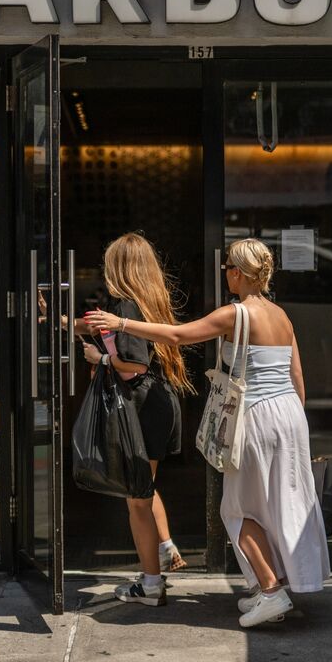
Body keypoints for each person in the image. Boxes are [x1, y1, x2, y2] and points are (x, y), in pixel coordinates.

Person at [86, 237, 331, 628]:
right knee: (278, 504)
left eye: (227, 269)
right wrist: (294, 426)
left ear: (238, 273)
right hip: (289, 415)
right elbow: (296, 376)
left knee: (237, 510)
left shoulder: (236, 314)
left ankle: (271, 592)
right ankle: (271, 586)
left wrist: (121, 323)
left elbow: (178, 335)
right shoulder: (281, 316)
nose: (226, 275)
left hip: (257, 416)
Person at [76, 234, 194, 606]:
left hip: (142, 406)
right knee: (143, 487)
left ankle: (151, 584)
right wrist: (59, 321)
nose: (104, 269)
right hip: (158, 402)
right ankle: (163, 551)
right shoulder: (148, 300)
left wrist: (99, 360)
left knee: (137, 500)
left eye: (108, 262)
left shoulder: (125, 306)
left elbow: (135, 364)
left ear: (119, 267)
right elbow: (96, 329)